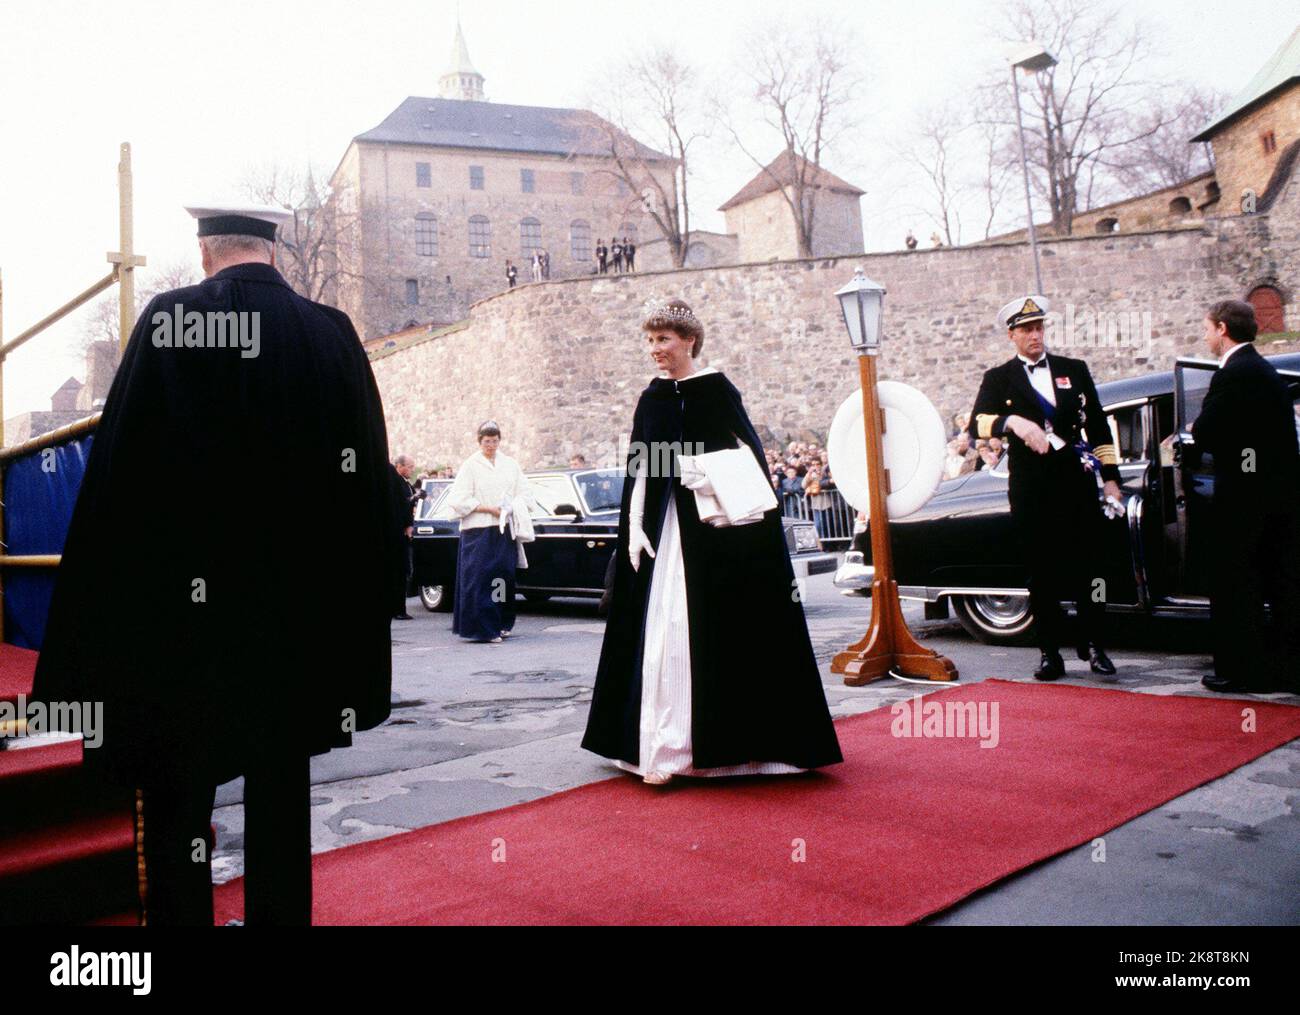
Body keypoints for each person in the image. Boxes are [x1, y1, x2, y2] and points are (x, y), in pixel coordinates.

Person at [30, 203, 398, 925]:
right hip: (297, 620)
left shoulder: (172, 319)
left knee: (178, 789)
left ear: (206, 252)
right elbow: (368, 478)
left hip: (188, 624)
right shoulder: (332, 333)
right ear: (272, 251)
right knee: (281, 783)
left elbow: (123, 479)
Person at [581, 297, 842, 785]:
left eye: (664, 340)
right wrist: (634, 525)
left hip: (717, 535)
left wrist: (697, 470)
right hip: (664, 532)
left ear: (689, 341)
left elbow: (748, 460)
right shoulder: (651, 398)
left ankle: (734, 746)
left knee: (716, 631)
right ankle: (662, 747)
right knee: (664, 635)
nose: (655, 349)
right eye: (650, 340)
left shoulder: (718, 390)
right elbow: (641, 467)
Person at [969, 295, 1121, 680]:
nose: (1035, 335)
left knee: (1092, 569)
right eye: (1026, 330)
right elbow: (977, 424)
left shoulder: (1074, 369)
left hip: (1075, 481)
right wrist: (1014, 423)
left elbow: (1099, 428)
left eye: (1039, 328)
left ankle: (1096, 646)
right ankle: (1050, 652)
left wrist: (1111, 480)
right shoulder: (999, 378)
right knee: (1042, 572)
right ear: (1012, 335)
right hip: (1032, 487)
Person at [1191, 300, 1300, 693]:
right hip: (1279, 497)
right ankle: (1287, 670)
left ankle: (1240, 670)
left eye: (1206, 329)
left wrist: (1194, 426)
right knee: (1282, 584)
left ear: (1222, 329)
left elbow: (1207, 431)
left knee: (1238, 587)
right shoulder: (1267, 372)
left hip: (1243, 501)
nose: (1205, 337)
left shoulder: (1234, 374)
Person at [445, 421, 531, 643]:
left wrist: (511, 506)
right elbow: (458, 499)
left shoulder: (510, 464)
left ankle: (501, 622)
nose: (491, 445)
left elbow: (525, 493)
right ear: (479, 441)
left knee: (502, 576)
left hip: (503, 528)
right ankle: (484, 628)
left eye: (494, 441)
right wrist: (486, 508)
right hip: (478, 530)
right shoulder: (470, 465)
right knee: (480, 578)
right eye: (486, 441)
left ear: (499, 440)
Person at [389, 454, 422, 620]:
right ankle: (397, 609)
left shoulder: (403, 482)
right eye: (409, 466)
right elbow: (400, 505)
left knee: (402, 571)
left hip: (402, 531)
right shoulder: (395, 481)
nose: (412, 469)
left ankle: (398, 608)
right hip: (397, 533)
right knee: (399, 571)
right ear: (399, 466)